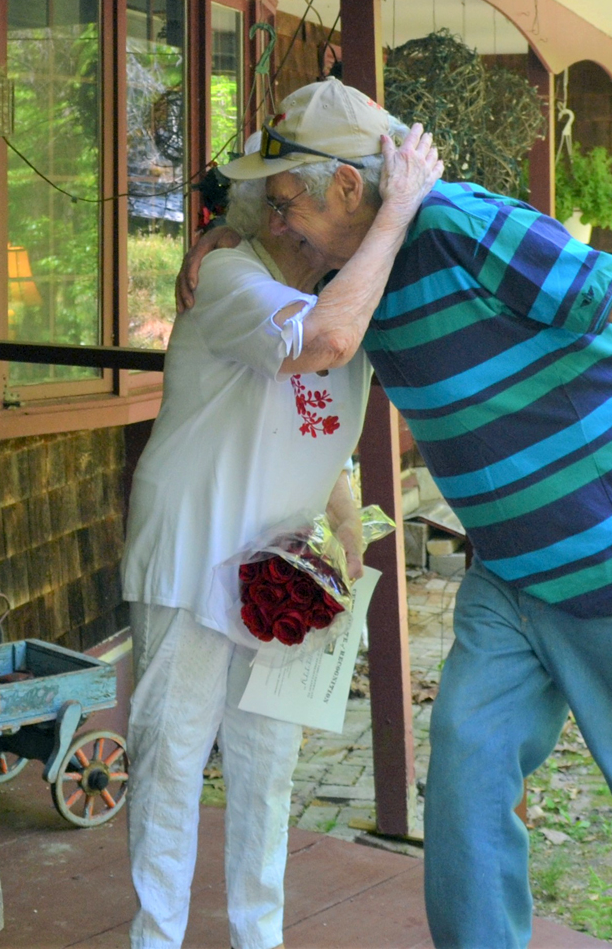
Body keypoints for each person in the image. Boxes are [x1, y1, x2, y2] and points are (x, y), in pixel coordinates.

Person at [180, 77, 612, 949]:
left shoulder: (457, 224)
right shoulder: (353, 264)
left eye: (285, 197)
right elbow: (281, 287)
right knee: (465, 785)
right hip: (508, 574)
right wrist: (218, 237)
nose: (277, 218)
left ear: (348, 185)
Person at [121, 121, 442, 949]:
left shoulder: (348, 281)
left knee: (266, 774)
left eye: (295, 199)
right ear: (271, 215)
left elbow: (308, 431)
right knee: (171, 767)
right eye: (281, 202)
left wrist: (341, 532)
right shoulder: (230, 273)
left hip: (280, 576)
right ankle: (155, 940)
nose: (291, 219)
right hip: (193, 559)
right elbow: (321, 341)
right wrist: (397, 212)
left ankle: (257, 938)